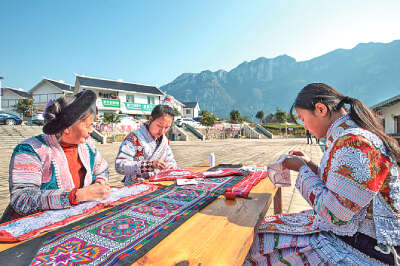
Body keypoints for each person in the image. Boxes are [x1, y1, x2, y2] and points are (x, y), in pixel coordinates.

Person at [246, 83, 400, 265]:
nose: (304, 127)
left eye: (303, 118)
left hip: (368, 245)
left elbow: (335, 214)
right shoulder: (348, 137)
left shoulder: (356, 142)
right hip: (354, 233)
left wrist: (303, 170)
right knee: (266, 227)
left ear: (320, 109)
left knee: (255, 245)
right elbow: (344, 188)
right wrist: (309, 166)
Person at [0, 90, 110, 223]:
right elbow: (22, 199)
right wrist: (77, 195)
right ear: (67, 128)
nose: (91, 130)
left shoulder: (87, 147)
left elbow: (102, 170)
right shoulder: (31, 151)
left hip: (73, 221)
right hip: (33, 227)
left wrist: (100, 182)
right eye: (87, 125)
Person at [115, 104, 177, 185]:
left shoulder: (164, 141)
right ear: (150, 119)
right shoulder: (133, 138)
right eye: (159, 125)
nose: (162, 131)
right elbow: (120, 165)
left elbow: (171, 161)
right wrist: (150, 165)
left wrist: (170, 166)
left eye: (166, 127)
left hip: (158, 184)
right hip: (135, 186)